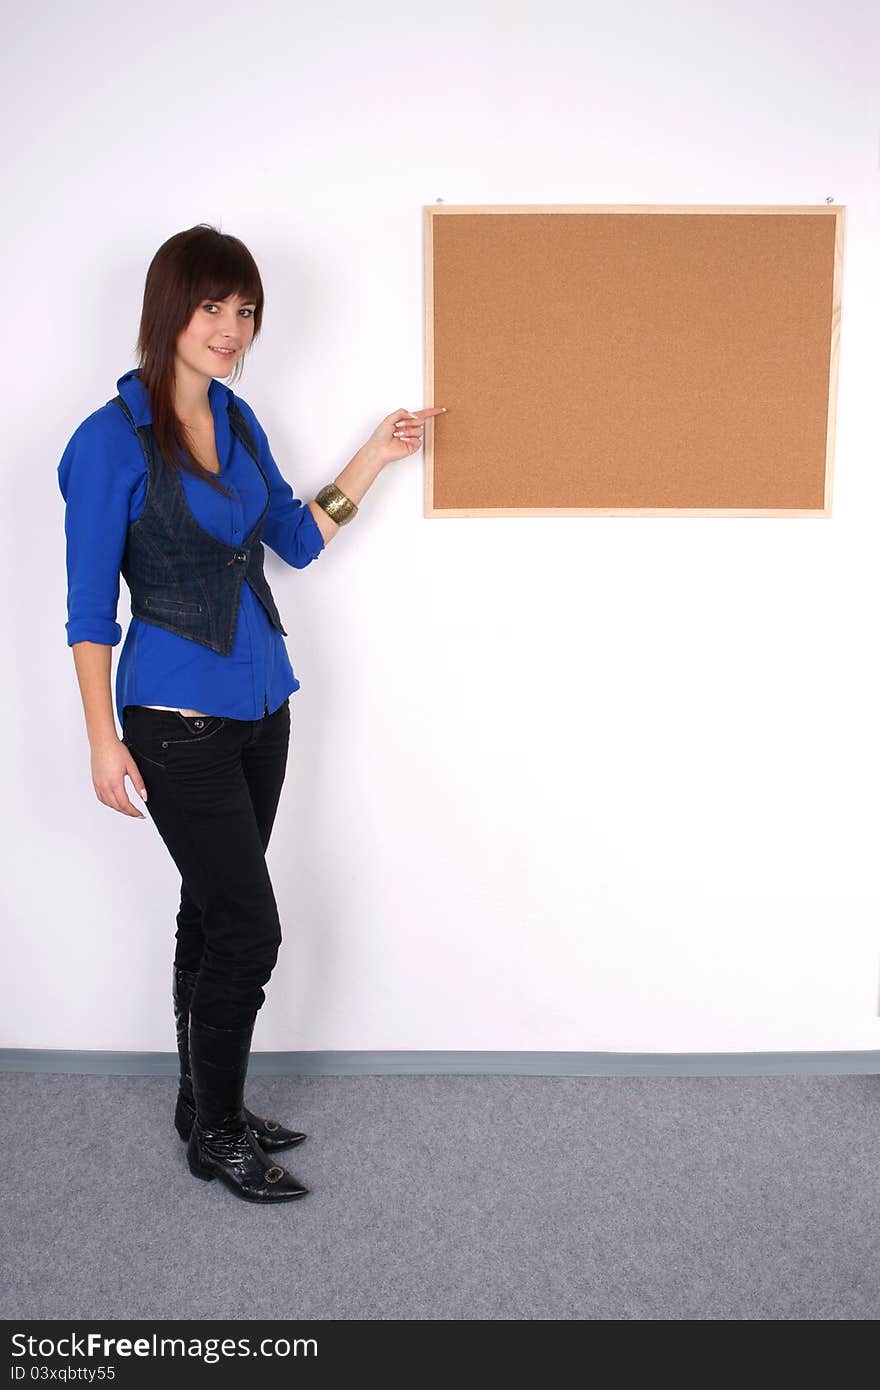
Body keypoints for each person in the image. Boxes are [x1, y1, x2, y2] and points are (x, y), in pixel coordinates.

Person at [57, 223, 446, 1205]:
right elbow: (87, 610)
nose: (231, 329)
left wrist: (376, 455)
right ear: (168, 312)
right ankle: (219, 1133)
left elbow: (294, 540)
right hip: (173, 718)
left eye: (245, 311)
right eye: (211, 308)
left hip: (265, 704)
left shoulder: (236, 419)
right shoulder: (105, 443)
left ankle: (205, 1103)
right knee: (248, 929)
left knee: (213, 909)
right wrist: (102, 737)